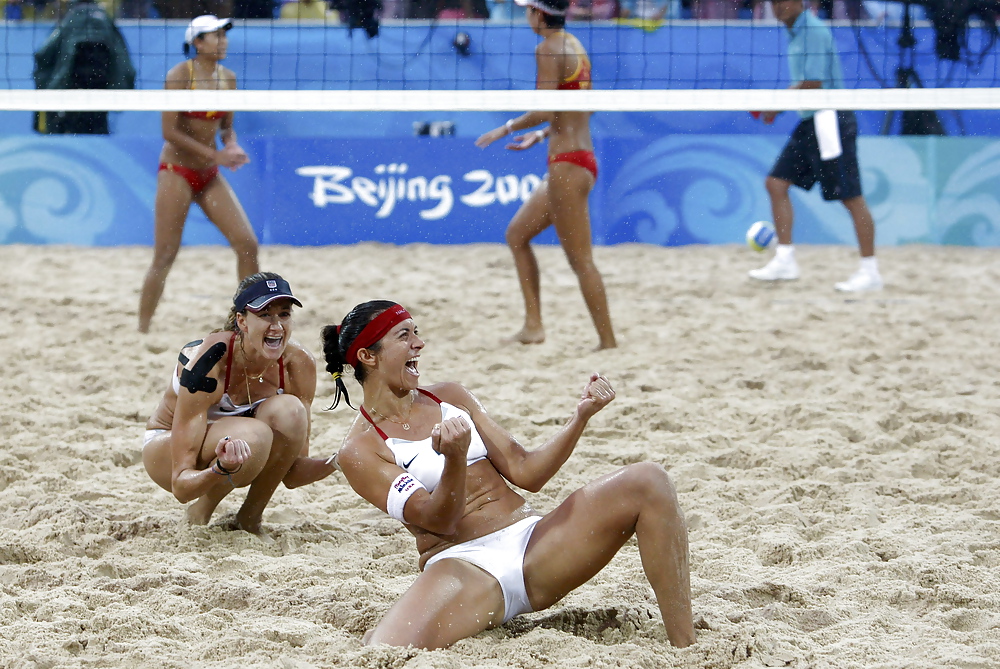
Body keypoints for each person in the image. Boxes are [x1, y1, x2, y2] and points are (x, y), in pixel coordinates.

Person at [320, 300, 695, 649]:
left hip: (533, 544)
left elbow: (527, 471)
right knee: (386, 649)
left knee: (649, 480)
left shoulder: (449, 396)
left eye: (416, 332)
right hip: (465, 565)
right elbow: (439, 521)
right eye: (404, 336)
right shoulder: (360, 451)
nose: (419, 343)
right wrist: (454, 459)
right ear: (368, 356)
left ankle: (687, 648)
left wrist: (579, 417)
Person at [143, 272, 337, 535]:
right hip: (166, 450)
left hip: (239, 448)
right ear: (242, 322)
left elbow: (292, 471)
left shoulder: (298, 362)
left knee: (290, 411)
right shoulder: (209, 359)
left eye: (283, 314)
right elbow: (181, 486)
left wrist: (340, 461)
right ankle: (202, 511)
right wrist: (220, 469)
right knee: (254, 435)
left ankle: (250, 516)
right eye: (265, 315)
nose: (277, 325)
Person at [475, 0, 616, 350]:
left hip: (568, 165)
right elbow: (584, 104)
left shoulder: (548, 48)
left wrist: (504, 128)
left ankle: (609, 342)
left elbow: (543, 108)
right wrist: (540, 135)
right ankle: (533, 326)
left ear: (539, 14)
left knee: (581, 261)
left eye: (527, 10)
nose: (526, 16)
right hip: (578, 157)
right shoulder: (575, 45)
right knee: (517, 234)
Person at [749, 0, 883, 293]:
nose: (778, 6)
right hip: (812, 120)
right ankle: (785, 259)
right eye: (774, 1)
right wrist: (777, 106)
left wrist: (775, 105)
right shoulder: (795, 31)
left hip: (830, 119)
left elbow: (813, 83)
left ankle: (870, 270)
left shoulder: (812, 30)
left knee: (851, 198)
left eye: (784, 0)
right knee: (775, 183)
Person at [137, 15, 259, 333]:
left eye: (223, 35)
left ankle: (246, 322)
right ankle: (142, 329)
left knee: (247, 243)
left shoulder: (228, 78)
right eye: (215, 36)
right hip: (176, 171)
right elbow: (169, 131)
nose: (222, 41)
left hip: (208, 174)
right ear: (197, 43)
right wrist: (216, 154)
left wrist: (230, 147)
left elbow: (227, 127)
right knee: (165, 254)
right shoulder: (180, 75)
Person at [32, 0, 136, 134]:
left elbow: (42, 55)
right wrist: (121, 90)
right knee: (96, 134)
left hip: (67, 95)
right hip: (99, 97)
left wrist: (48, 87)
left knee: (63, 138)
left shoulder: (70, 21)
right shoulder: (106, 21)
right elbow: (125, 65)